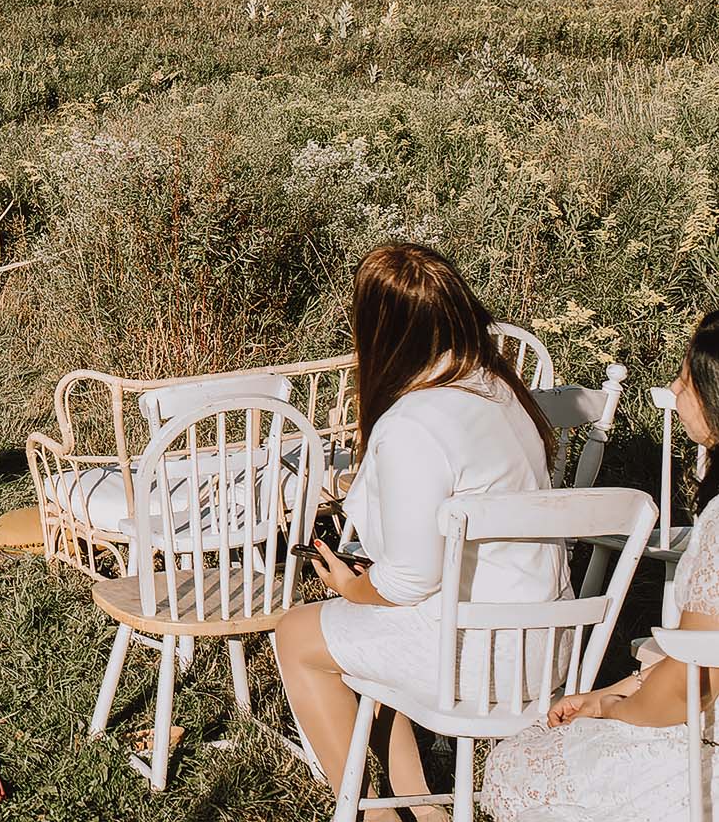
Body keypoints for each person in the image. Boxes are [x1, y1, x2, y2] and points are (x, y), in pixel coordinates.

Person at [275, 241, 562, 822]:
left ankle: (373, 815)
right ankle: (422, 808)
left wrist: (350, 584)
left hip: (481, 658)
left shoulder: (414, 422)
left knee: (296, 635)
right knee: (374, 630)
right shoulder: (500, 388)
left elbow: (409, 580)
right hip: (552, 640)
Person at [480, 311, 719, 820]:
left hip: (702, 743)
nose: (674, 391)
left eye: (686, 379)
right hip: (687, 695)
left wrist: (616, 708)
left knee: (514, 764)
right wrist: (612, 691)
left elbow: (699, 674)